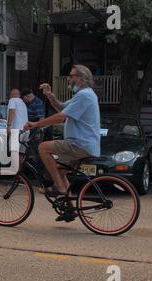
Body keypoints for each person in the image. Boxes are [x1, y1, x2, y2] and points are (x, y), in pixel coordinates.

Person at [26, 65, 101, 222]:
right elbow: (61, 107)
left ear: (81, 78)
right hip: (82, 144)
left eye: (72, 76)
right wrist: (49, 95)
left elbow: (61, 117)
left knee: (43, 147)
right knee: (60, 171)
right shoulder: (83, 95)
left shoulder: (84, 95)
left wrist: (36, 124)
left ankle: (59, 187)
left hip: (79, 144)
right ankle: (69, 210)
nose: (69, 78)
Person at [5, 89, 29, 173]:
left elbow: (12, 111)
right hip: (25, 131)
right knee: (21, 154)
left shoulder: (12, 100)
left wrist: (9, 125)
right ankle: (20, 175)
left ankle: (15, 174)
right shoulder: (23, 103)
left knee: (14, 152)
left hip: (16, 130)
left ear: (11, 95)